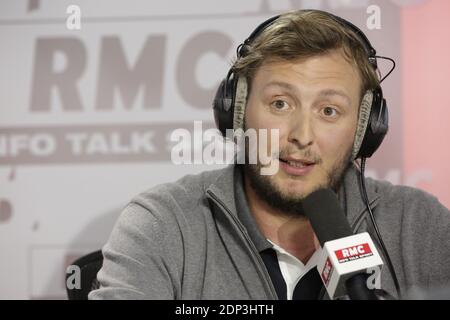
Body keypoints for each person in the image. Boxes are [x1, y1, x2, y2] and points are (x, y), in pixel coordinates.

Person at [89, 9, 450, 300]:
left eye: (329, 111)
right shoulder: (162, 224)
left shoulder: (420, 227)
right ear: (238, 110)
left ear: (364, 130)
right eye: (280, 103)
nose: (302, 137)